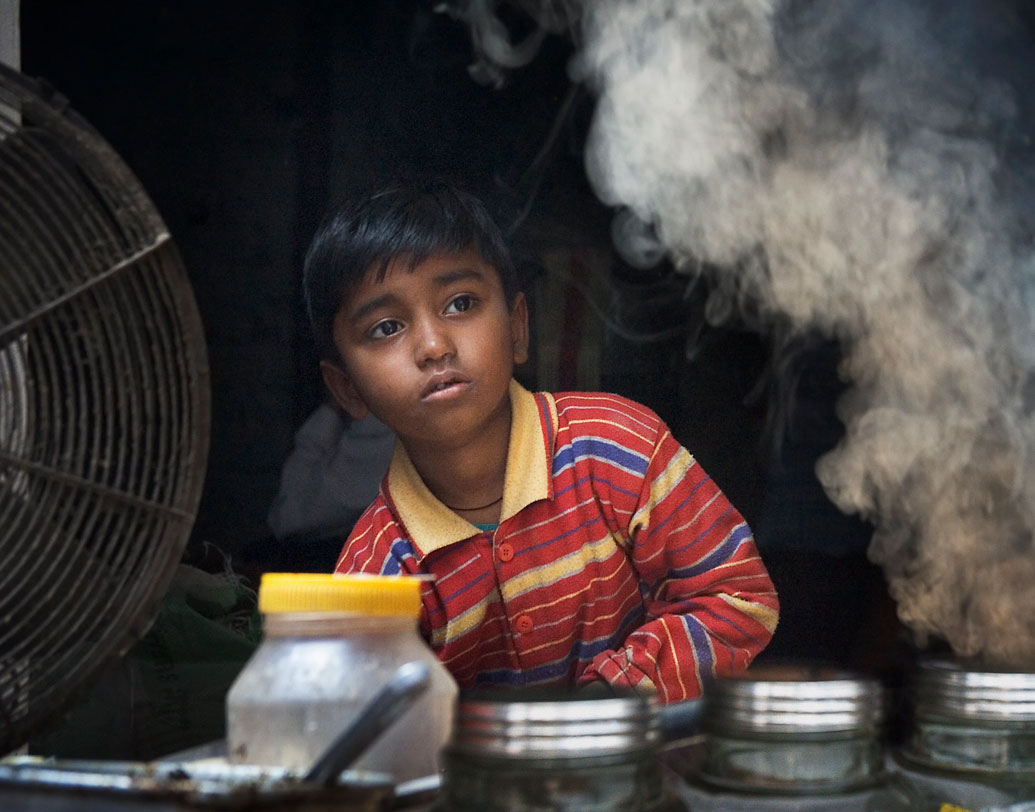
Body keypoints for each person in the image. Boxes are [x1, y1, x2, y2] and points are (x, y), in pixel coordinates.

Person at [302, 178, 778, 702]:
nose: (434, 346)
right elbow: (373, 731)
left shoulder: (617, 448)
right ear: (348, 388)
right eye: (387, 327)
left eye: (460, 303)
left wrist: (605, 704)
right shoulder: (378, 574)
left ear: (518, 328)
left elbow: (737, 596)